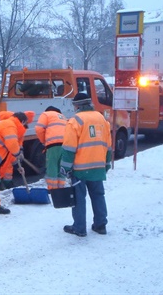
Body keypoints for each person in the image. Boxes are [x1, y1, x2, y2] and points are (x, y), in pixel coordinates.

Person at [60, 93, 112, 237]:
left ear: (77, 105)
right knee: (98, 196)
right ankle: (100, 225)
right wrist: (106, 164)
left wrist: (65, 168)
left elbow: (69, 148)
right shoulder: (101, 118)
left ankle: (79, 228)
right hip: (98, 166)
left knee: (78, 198)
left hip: (80, 168)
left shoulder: (75, 121)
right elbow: (108, 145)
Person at [0, 111, 35, 190]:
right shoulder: (8, 116)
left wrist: (20, 150)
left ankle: (7, 182)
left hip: (8, 144)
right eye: (26, 122)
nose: (25, 125)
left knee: (9, 162)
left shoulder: (21, 127)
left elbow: (20, 139)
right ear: (23, 120)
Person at [35, 106, 67, 190]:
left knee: (52, 166)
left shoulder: (46, 114)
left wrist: (43, 141)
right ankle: (61, 188)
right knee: (61, 166)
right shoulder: (63, 117)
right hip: (65, 145)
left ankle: (53, 189)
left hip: (53, 144)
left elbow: (38, 128)